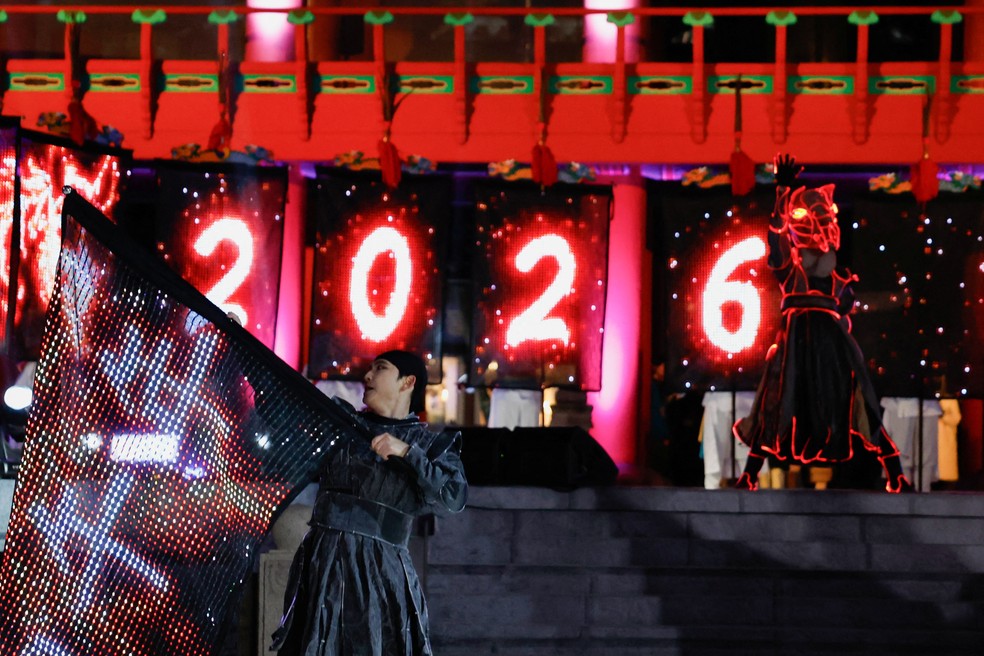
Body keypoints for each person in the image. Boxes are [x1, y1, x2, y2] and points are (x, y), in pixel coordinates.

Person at [733, 155, 912, 493]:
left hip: (831, 347)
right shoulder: (791, 270)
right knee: (777, 403)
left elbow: (848, 310)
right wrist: (783, 190)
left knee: (857, 400)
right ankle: (749, 475)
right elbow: (775, 236)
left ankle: (896, 472)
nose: (814, 228)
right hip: (796, 345)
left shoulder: (839, 280)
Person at [271, 350, 468, 655]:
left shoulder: (427, 444)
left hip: (378, 573)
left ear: (408, 382)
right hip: (322, 564)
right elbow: (284, 414)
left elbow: (453, 498)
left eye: (380, 369)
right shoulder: (341, 426)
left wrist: (406, 453)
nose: (367, 376)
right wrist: (241, 349)